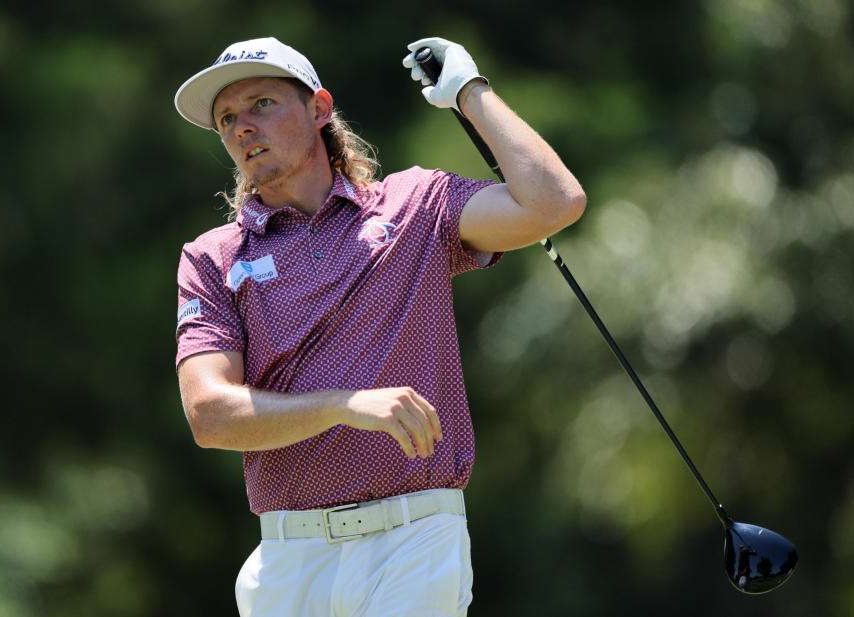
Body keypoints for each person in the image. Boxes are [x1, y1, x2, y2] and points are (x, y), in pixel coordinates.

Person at [173, 35, 586, 617]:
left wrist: (470, 93)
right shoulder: (213, 257)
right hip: (290, 558)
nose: (242, 126)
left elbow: (555, 203)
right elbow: (209, 415)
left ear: (319, 108)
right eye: (227, 118)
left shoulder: (414, 206)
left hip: (414, 540)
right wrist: (344, 404)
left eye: (262, 103)